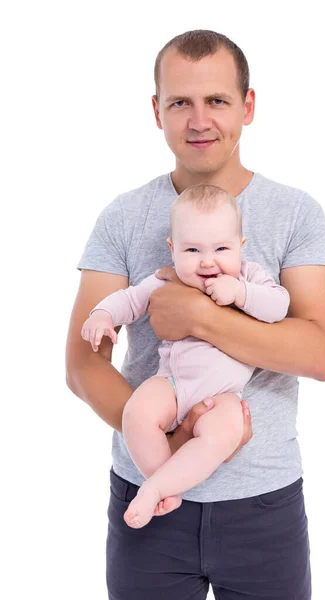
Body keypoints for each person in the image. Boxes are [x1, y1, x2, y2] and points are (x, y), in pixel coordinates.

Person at [66, 29, 325, 600]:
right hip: (144, 491)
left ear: (248, 105)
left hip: (263, 502)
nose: (198, 120)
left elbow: (321, 353)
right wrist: (169, 446)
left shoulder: (295, 214)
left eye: (216, 100)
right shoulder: (123, 218)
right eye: (179, 103)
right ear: (156, 111)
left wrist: (199, 316)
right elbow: (82, 363)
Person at [81, 184, 290, 529]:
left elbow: (279, 306)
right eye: (192, 249)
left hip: (223, 396)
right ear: (172, 249)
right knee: (136, 414)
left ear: (240, 246)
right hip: (173, 383)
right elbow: (130, 300)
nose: (208, 260)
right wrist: (102, 315)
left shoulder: (248, 276)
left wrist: (241, 292)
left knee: (224, 434)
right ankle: (163, 484)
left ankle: (157, 487)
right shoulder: (167, 278)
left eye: (221, 248)